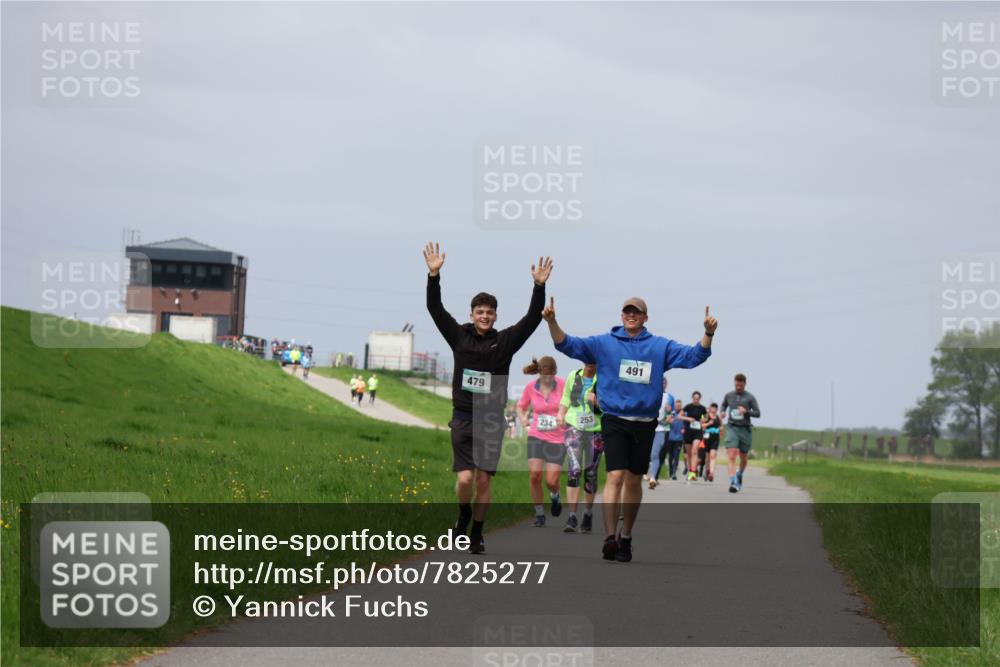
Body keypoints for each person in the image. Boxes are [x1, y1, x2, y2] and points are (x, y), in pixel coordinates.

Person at [542, 296, 717, 562]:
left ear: (645, 317)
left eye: (637, 312)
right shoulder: (605, 343)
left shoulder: (659, 346)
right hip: (614, 420)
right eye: (627, 311)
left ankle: (626, 537)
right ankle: (610, 537)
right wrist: (552, 321)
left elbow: (694, 356)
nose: (631, 315)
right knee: (614, 477)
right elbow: (567, 344)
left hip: (645, 423)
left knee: (634, 479)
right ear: (621, 315)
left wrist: (708, 333)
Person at [423, 241, 552, 554]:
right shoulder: (459, 337)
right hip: (463, 416)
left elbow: (533, 319)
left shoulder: (505, 342)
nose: (485, 316)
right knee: (465, 479)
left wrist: (538, 286)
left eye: (490, 312)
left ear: (495, 316)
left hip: (492, 419)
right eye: (480, 312)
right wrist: (434, 277)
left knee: (483, 480)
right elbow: (435, 310)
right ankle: (463, 513)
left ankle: (477, 533)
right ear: (472, 314)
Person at [517, 357, 566, 528]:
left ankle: (555, 496)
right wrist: (523, 418)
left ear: (555, 372)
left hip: (558, 437)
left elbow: (572, 405)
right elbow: (520, 406)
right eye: (545, 376)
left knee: (551, 481)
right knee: (535, 475)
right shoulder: (531, 387)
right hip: (536, 435)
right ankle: (539, 514)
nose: (548, 379)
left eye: (551, 375)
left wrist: (564, 416)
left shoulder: (563, 385)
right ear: (539, 373)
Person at [557, 363, 603, 532]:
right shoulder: (573, 375)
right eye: (587, 359)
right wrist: (561, 413)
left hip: (596, 429)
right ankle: (572, 516)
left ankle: (588, 514)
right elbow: (566, 398)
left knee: (590, 473)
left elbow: (612, 406)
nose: (590, 364)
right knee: (574, 470)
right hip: (573, 426)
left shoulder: (605, 378)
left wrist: (596, 402)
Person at [722, 373, 761, 493]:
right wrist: (722, 411)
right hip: (732, 427)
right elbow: (724, 405)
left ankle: (740, 473)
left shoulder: (750, 397)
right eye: (736, 384)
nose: (738, 387)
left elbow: (758, 413)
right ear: (734, 383)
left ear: (744, 384)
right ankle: (733, 481)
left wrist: (746, 411)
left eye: (740, 385)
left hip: (745, 429)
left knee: (743, 457)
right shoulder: (729, 395)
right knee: (732, 454)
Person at [645, 376, 676, 488]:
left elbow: (672, 413)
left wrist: (670, 416)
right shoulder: (649, 394)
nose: (662, 384)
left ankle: (653, 478)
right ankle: (647, 471)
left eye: (664, 382)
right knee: (646, 453)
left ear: (666, 384)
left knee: (655, 453)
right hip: (647, 427)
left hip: (661, 429)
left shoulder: (669, 397)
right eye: (660, 382)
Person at [680, 391, 707, 482]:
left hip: (697, 432)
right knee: (689, 453)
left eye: (697, 398)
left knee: (695, 450)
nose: (696, 400)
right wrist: (688, 418)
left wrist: (703, 420)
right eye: (694, 398)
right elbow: (679, 416)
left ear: (700, 399)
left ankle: (693, 471)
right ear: (692, 398)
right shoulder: (688, 407)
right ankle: (690, 471)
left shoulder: (702, 408)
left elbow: (706, 417)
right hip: (688, 431)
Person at [664, 398, 685, 480]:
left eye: (679, 406)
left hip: (679, 439)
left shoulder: (684, 413)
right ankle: (670, 470)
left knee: (676, 456)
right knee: (670, 456)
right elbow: (666, 421)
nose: (678, 407)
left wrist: (684, 429)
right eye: (676, 405)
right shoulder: (672, 413)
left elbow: (687, 423)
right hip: (670, 438)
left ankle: (674, 473)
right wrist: (670, 418)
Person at [702, 403, 722, 481]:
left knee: (713, 455)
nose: (713, 409)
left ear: (717, 409)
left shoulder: (718, 417)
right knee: (707, 457)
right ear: (710, 408)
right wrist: (708, 423)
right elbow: (702, 425)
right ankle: (707, 470)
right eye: (712, 407)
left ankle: (711, 473)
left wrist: (720, 428)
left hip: (715, 437)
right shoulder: (706, 416)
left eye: (715, 408)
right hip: (707, 437)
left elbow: (721, 426)